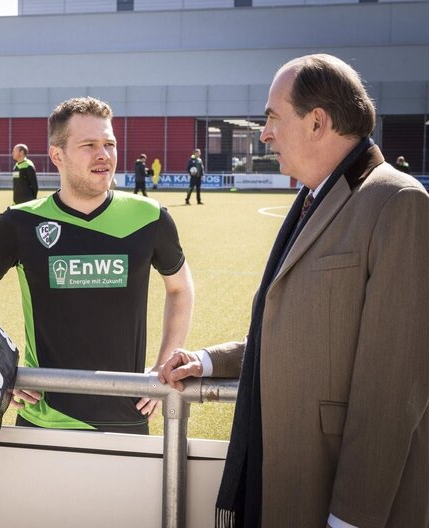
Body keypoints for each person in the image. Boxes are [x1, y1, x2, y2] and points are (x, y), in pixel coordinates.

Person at [160, 54, 429, 527]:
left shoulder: (398, 203)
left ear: (317, 122)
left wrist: (350, 518)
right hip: (284, 478)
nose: (265, 133)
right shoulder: (314, 198)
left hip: (340, 501)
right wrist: (207, 361)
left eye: (272, 118)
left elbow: (392, 389)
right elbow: (300, 333)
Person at [0, 96, 194, 434]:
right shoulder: (19, 224)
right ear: (57, 155)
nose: (104, 154)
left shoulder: (150, 218)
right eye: (89, 144)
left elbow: (180, 289)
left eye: (109, 143)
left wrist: (163, 364)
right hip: (43, 418)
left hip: (127, 416)